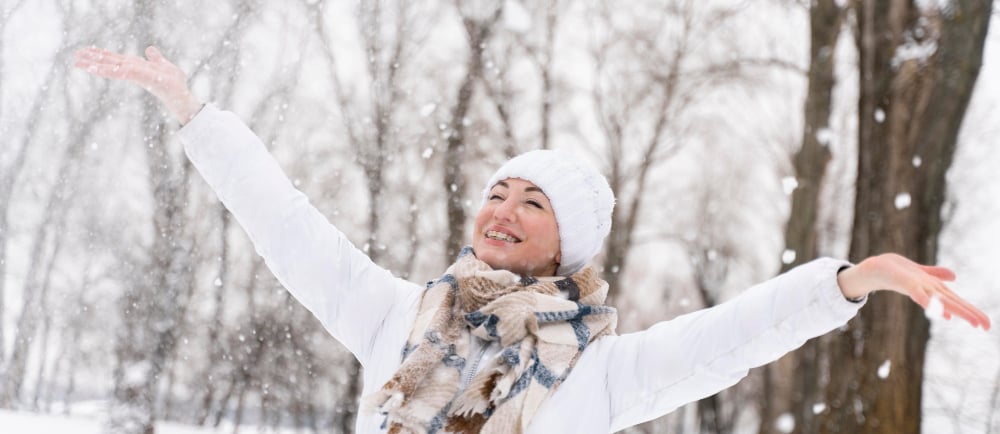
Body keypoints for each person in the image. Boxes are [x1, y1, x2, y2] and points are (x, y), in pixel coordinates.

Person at [73, 46, 990, 434]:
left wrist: (848, 280)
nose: (502, 210)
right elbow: (285, 224)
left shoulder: (602, 370)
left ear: (566, 246)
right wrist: (196, 118)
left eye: (532, 204)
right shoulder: (400, 319)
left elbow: (736, 335)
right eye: (498, 192)